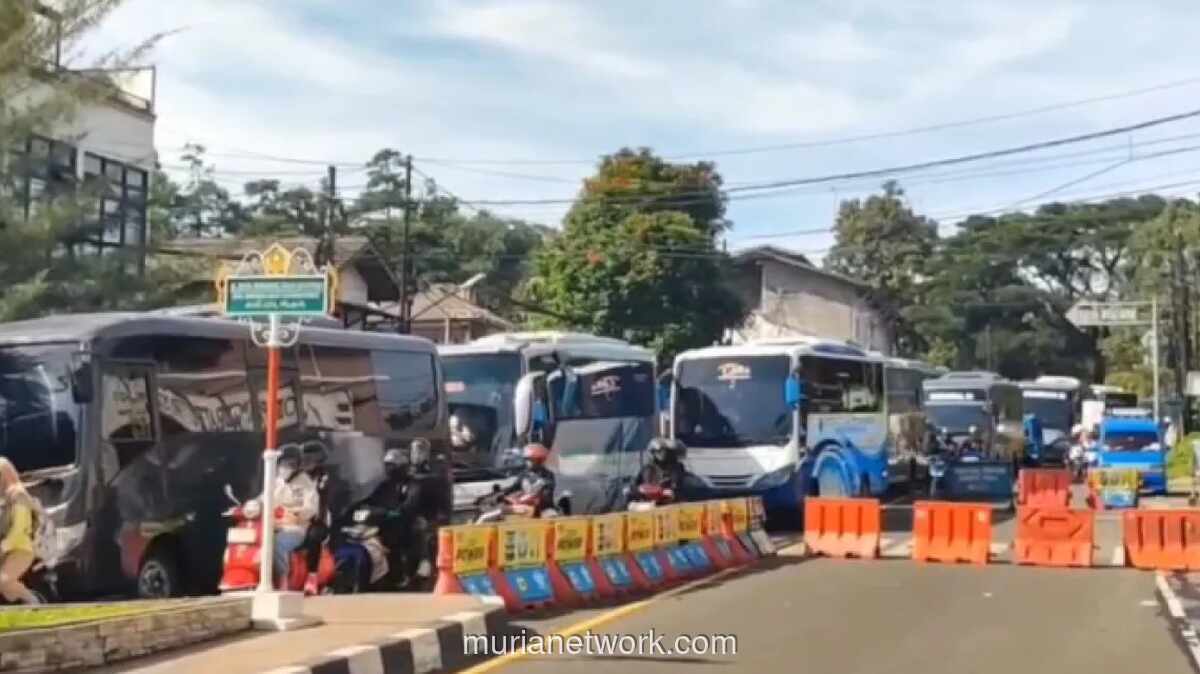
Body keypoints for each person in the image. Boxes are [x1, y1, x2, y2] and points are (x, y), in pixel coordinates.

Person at [270, 444, 318, 590]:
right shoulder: (276, 481)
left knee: (278, 543)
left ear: (298, 465)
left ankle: (283, 578)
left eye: (290, 464)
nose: (286, 467)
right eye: (283, 463)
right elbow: (264, 499)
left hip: (295, 528)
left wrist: (296, 512)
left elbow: (311, 508)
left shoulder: (305, 483)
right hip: (272, 524)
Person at [0, 458, 38, 604]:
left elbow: (19, 530)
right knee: (7, 588)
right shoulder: (4, 499)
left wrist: (3, 548)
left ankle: (33, 601)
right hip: (7, 548)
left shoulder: (19, 496)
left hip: (21, 549)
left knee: (3, 581)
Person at [299, 440, 331, 596]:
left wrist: (319, 520)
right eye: (305, 459)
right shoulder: (295, 475)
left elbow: (323, 501)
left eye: (312, 459)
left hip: (318, 517)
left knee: (314, 536)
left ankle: (312, 576)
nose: (307, 462)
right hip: (293, 516)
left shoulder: (323, 477)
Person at [500, 443, 556, 516]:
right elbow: (514, 487)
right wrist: (502, 494)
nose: (527, 462)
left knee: (551, 515)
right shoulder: (524, 474)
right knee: (502, 513)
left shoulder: (548, 475)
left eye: (530, 460)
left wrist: (535, 500)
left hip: (542, 508)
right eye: (526, 460)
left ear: (539, 460)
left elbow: (547, 495)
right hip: (525, 506)